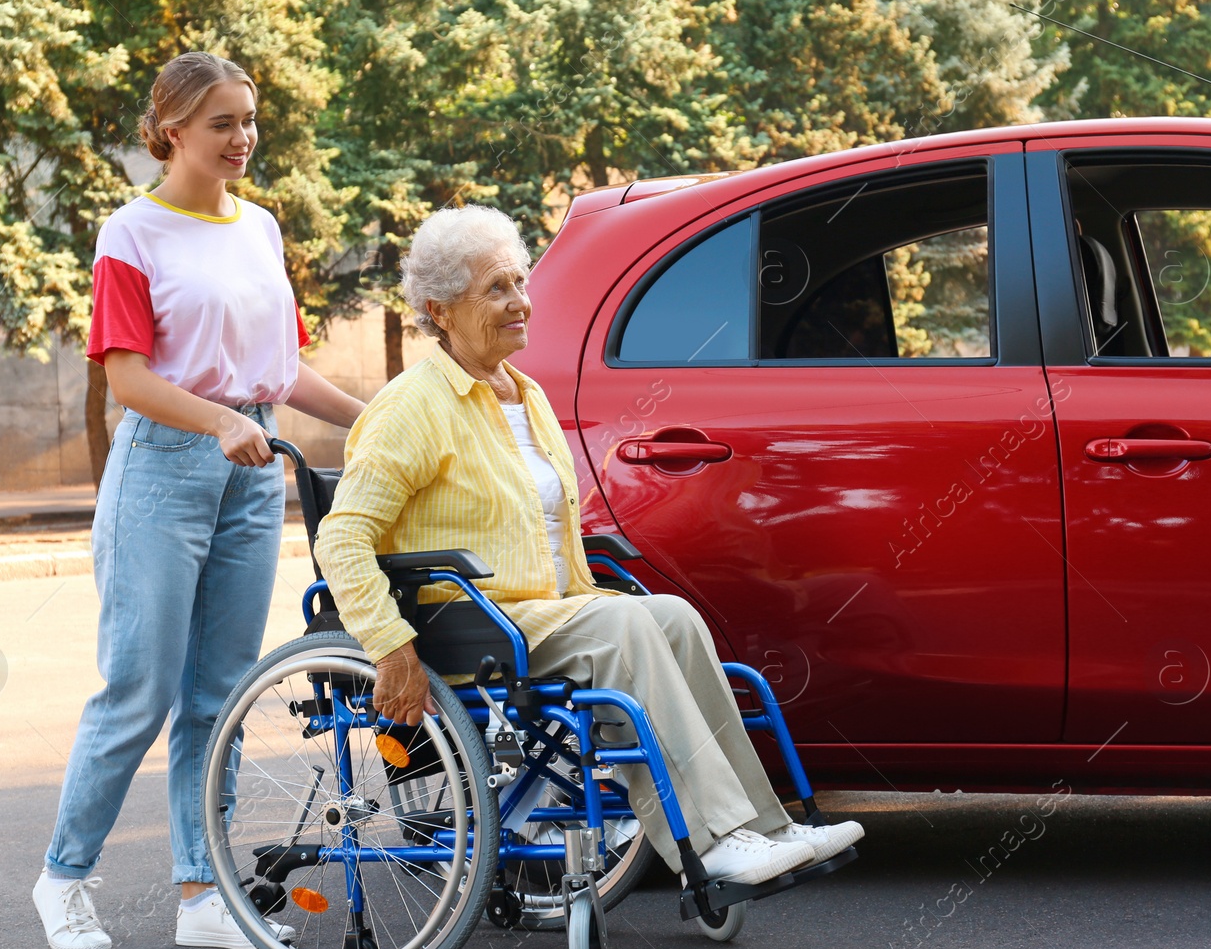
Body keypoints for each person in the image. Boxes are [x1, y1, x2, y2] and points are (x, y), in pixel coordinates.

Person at [315, 204, 864, 888]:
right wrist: (390, 647)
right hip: (473, 619)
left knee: (674, 617)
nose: (520, 301)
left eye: (520, 282)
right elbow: (341, 536)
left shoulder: (527, 394)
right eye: (496, 289)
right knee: (628, 624)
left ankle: (766, 826)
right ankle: (713, 838)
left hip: (550, 608)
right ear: (441, 309)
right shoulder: (410, 408)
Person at [33, 52, 365, 949]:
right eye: (222, 122)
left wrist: (370, 419)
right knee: (138, 687)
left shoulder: (260, 227)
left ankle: (201, 888)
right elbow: (129, 377)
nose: (243, 137)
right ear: (172, 129)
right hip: (166, 465)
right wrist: (219, 419)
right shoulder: (130, 234)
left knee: (219, 694)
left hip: (253, 464)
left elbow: (283, 369)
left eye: (249, 119)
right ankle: (64, 877)